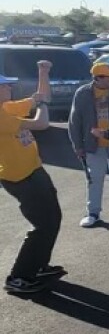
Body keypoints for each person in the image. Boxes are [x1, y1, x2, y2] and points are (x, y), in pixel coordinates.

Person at [1, 61, 64, 293]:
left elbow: (39, 97)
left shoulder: (6, 108)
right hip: (22, 178)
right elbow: (42, 123)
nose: (9, 88)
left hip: (34, 171)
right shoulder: (1, 116)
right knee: (43, 224)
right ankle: (19, 277)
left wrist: (43, 72)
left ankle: (38, 265)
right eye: (4, 86)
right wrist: (43, 104)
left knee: (53, 219)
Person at [68, 61, 109, 227]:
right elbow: (75, 121)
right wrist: (78, 145)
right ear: (98, 78)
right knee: (95, 178)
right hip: (93, 143)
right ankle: (93, 212)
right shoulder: (82, 93)